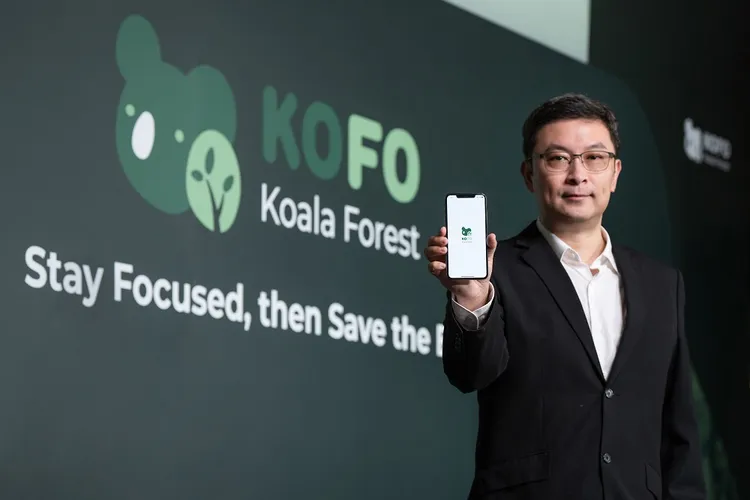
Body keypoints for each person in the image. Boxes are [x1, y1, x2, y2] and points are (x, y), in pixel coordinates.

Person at [425, 93, 706, 499]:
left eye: (595, 158)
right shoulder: (495, 269)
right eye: (558, 158)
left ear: (615, 173)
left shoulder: (662, 284)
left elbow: (679, 434)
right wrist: (471, 296)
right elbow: (470, 375)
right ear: (529, 174)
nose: (578, 175)